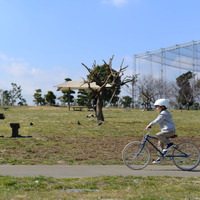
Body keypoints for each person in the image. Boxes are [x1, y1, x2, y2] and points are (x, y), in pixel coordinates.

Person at [145, 98, 176, 164]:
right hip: (167, 131)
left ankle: (170, 144)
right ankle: (160, 157)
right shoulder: (163, 113)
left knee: (158, 135)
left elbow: (157, 120)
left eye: (157, 106)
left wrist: (149, 125)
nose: (156, 108)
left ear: (163, 106)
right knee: (160, 143)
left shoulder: (163, 114)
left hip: (170, 131)